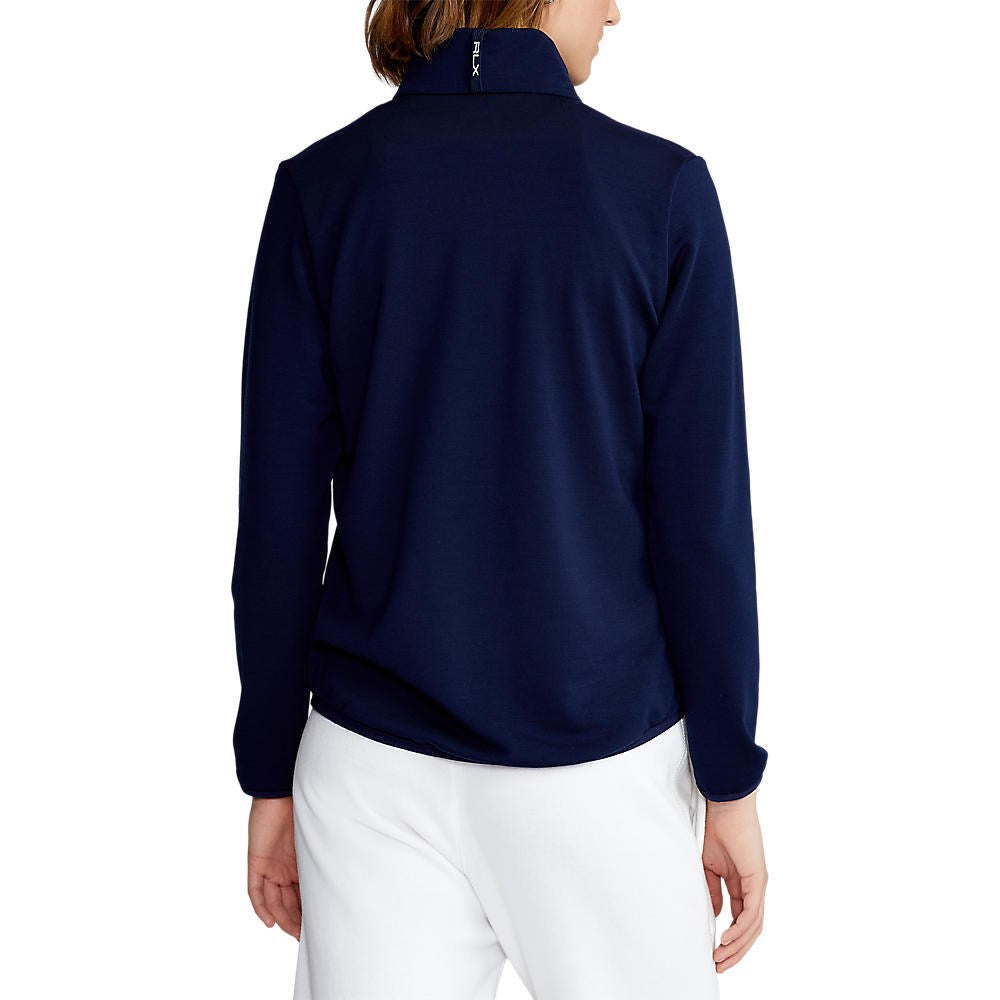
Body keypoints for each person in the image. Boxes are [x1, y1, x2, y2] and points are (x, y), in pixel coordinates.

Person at [230, 1, 769, 997]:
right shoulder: (657, 190)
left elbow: (277, 523)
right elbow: (702, 528)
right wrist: (728, 775)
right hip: (597, 768)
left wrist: (270, 769)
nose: (616, 10)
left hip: (370, 775)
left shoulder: (323, 188)